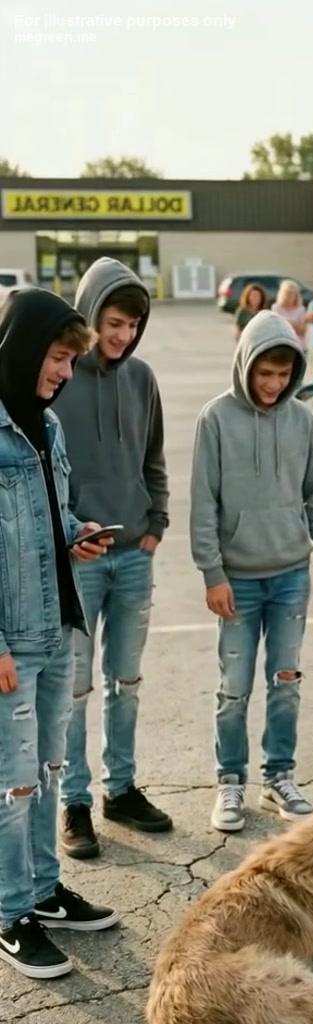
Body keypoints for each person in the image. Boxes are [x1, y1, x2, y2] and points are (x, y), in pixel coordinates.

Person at [0, 288, 119, 980]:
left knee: (46, 774)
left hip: (56, 626)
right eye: (57, 357)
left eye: (72, 361)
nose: (65, 373)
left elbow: (53, 515)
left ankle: (44, 893)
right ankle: (10, 911)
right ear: (22, 349)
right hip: (12, 640)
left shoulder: (47, 427)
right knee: (11, 785)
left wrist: (79, 536)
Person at [190, 311, 313, 832]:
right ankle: (229, 782)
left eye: (283, 374)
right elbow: (203, 504)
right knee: (233, 688)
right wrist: (212, 572)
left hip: (291, 578)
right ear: (246, 366)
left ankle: (279, 776)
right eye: (264, 373)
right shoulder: (215, 418)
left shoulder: (303, 419)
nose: (274, 385)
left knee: (286, 681)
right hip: (237, 580)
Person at [53, 258, 172, 859]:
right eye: (116, 322)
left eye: (134, 326)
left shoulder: (143, 377)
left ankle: (119, 790)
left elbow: (154, 458)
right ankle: (73, 802)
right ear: (91, 314)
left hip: (134, 559)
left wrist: (157, 524)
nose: (124, 336)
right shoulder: (60, 378)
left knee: (125, 682)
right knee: (74, 689)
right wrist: (67, 533)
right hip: (77, 562)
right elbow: (44, 472)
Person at [272, 279, 307, 347]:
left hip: (298, 345)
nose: (289, 295)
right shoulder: (276, 308)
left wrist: (285, 323)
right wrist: (295, 324)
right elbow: (277, 327)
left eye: (292, 293)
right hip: (281, 344)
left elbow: (302, 330)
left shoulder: (301, 309)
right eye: (287, 292)